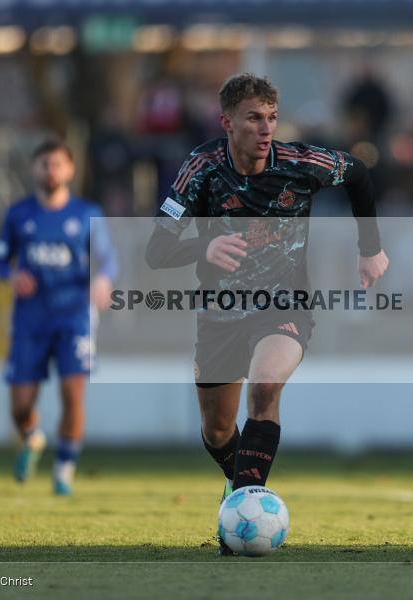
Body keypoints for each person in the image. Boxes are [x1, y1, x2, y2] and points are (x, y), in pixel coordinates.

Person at [144, 73, 389, 555]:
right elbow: (155, 250)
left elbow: (358, 172)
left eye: (272, 118)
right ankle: (240, 485)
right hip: (220, 314)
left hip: (286, 304)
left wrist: (371, 248)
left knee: (265, 386)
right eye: (254, 118)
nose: (265, 128)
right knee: (217, 431)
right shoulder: (200, 170)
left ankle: (240, 514)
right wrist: (205, 246)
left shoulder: (301, 163)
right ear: (227, 122)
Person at [0, 139, 118, 495]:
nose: (51, 171)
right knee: (20, 405)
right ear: (35, 169)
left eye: (57, 164)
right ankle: (32, 437)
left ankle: (64, 468)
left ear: (70, 170)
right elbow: (0, 261)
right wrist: (12, 275)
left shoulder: (86, 213)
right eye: (45, 164)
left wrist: (104, 279)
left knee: (72, 391)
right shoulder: (19, 215)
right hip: (30, 318)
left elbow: (108, 258)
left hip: (73, 315)